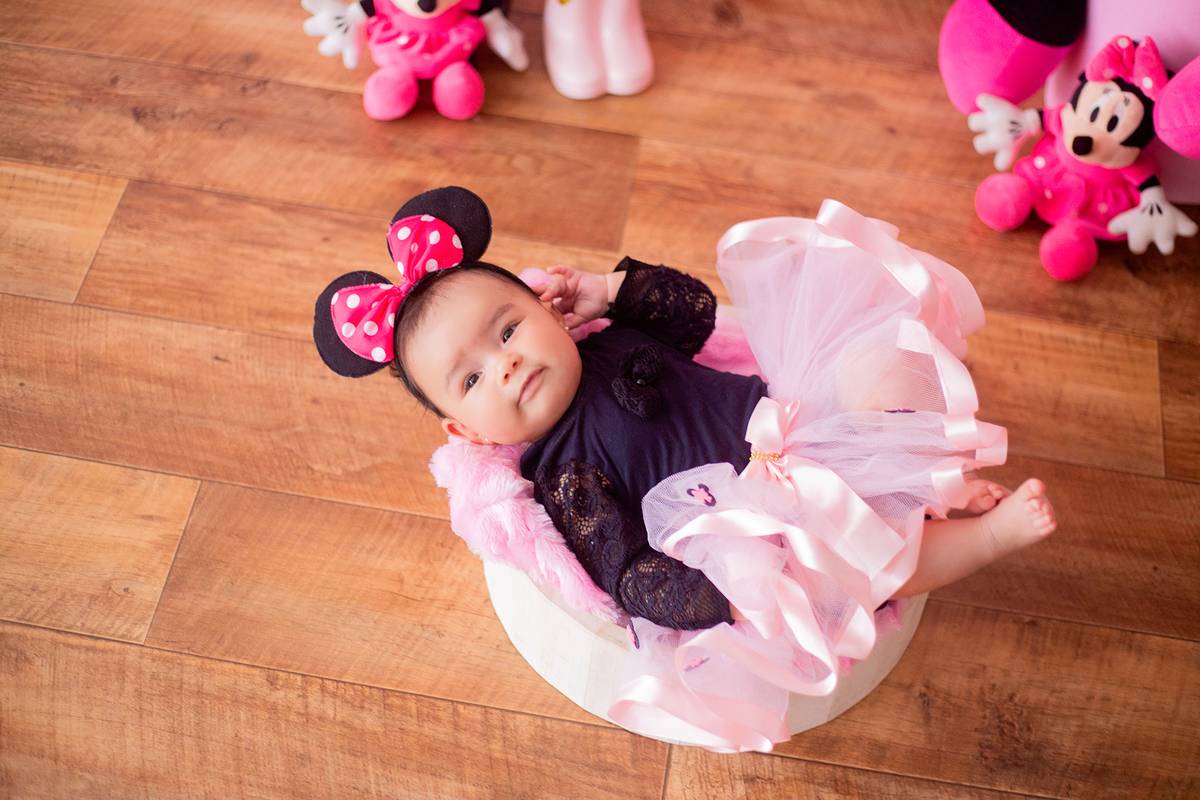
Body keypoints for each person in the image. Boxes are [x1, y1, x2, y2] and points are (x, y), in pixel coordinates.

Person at [313, 187, 1056, 745]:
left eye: (508, 329)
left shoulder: (606, 337)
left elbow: (696, 313)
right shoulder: (564, 475)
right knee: (852, 571)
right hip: (761, 522)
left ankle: (924, 480)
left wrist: (611, 289)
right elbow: (626, 572)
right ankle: (984, 540)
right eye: (471, 380)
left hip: (794, 423)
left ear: (551, 308)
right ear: (464, 430)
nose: (504, 366)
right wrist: (728, 599)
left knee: (875, 356)